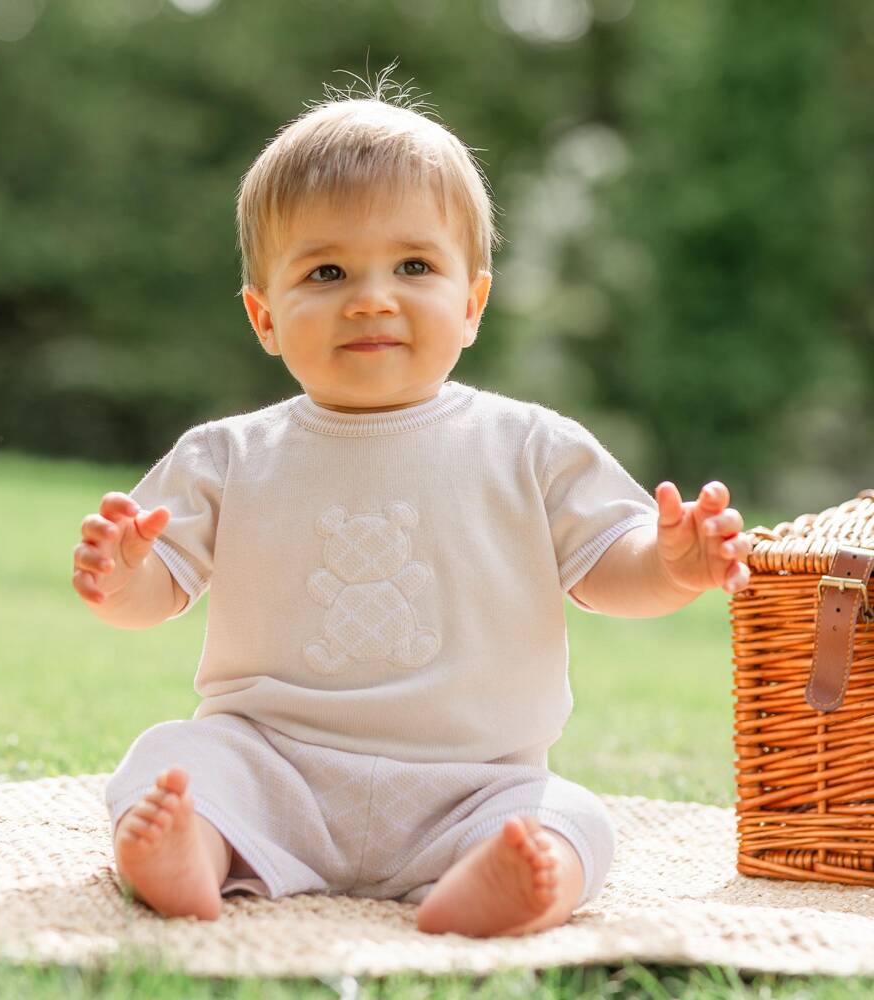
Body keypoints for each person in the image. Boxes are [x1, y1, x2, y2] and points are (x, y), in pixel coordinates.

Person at [72, 85, 752, 938]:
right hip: (272, 765)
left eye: (414, 267)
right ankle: (190, 856)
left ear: (472, 302)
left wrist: (670, 564)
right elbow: (157, 591)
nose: (371, 299)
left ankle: (497, 881)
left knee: (577, 818)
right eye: (326, 272)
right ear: (264, 316)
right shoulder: (228, 456)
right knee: (168, 761)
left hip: (473, 783)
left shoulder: (531, 446)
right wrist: (120, 576)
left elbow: (612, 565)